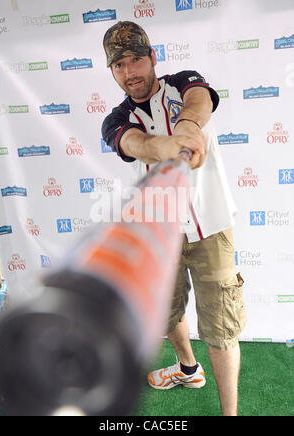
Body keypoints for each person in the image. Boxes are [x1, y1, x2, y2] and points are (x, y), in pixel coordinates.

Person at [101, 21, 246, 417]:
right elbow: (134, 143)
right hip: (159, 233)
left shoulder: (183, 83)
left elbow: (199, 100)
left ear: (152, 58)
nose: (130, 71)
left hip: (211, 227)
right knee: (164, 312)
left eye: (136, 59)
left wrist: (186, 126)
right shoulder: (116, 119)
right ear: (112, 72)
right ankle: (187, 368)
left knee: (220, 327)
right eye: (120, 66)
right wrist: (165, 146)